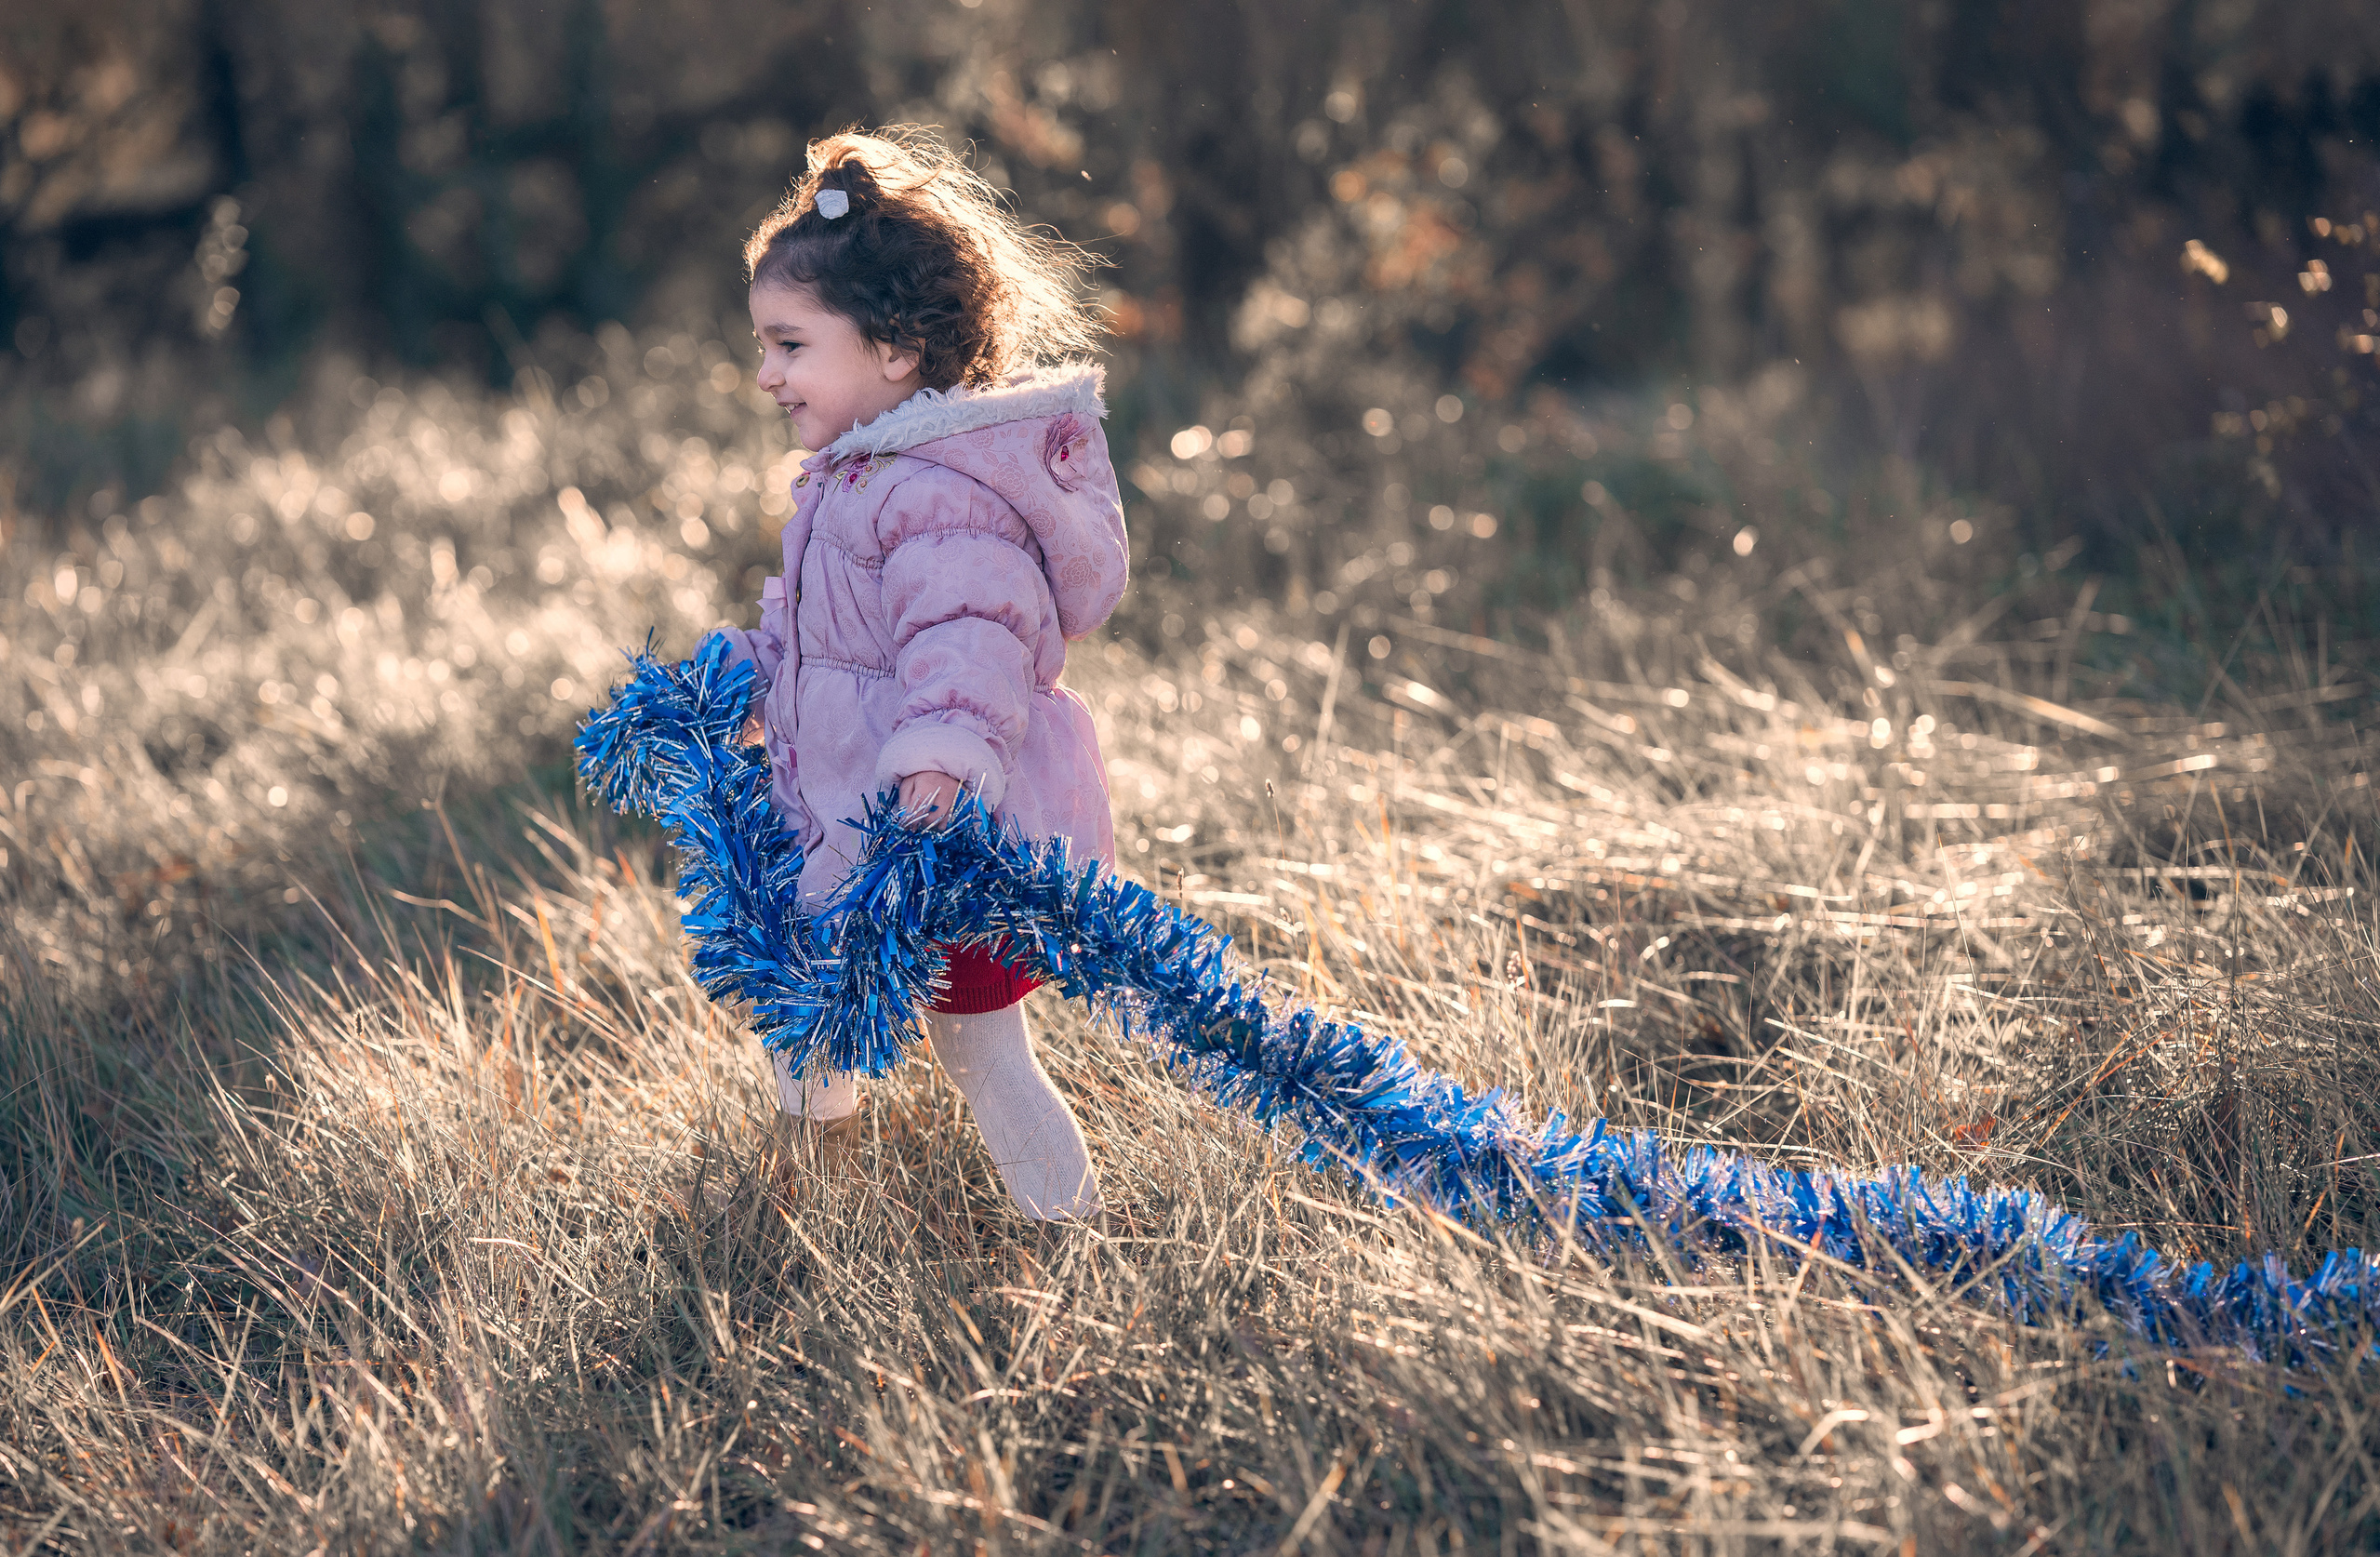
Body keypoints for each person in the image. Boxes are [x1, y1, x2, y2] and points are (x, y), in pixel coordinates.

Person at [707, 128, 1124, 1222]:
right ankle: (813, 1222)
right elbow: (829, 650)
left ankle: (1070, 1232)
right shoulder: (857, 480)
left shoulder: (943, 491)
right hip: (848, 830)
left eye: (790, 344)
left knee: (981, 1055)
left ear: (893, 349)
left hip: (941, 843)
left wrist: (941, 762)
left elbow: (970, 645)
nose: (766, 373)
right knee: (808, 1035)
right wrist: (732, 678)